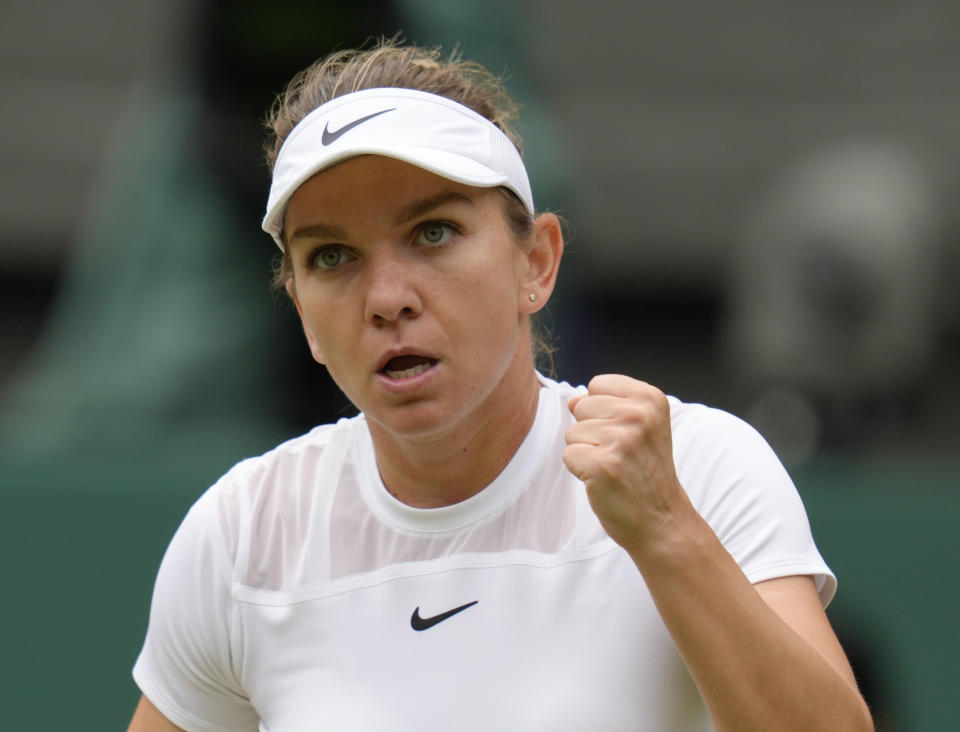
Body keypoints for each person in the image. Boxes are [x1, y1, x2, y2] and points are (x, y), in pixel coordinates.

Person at [127, 40, 873, 731]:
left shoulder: (698, 467)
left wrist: (667, 530)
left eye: (433, 233)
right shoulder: (244, 533)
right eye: (331, 256)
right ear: (303, 314)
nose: (386, 297)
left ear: (537, 264)